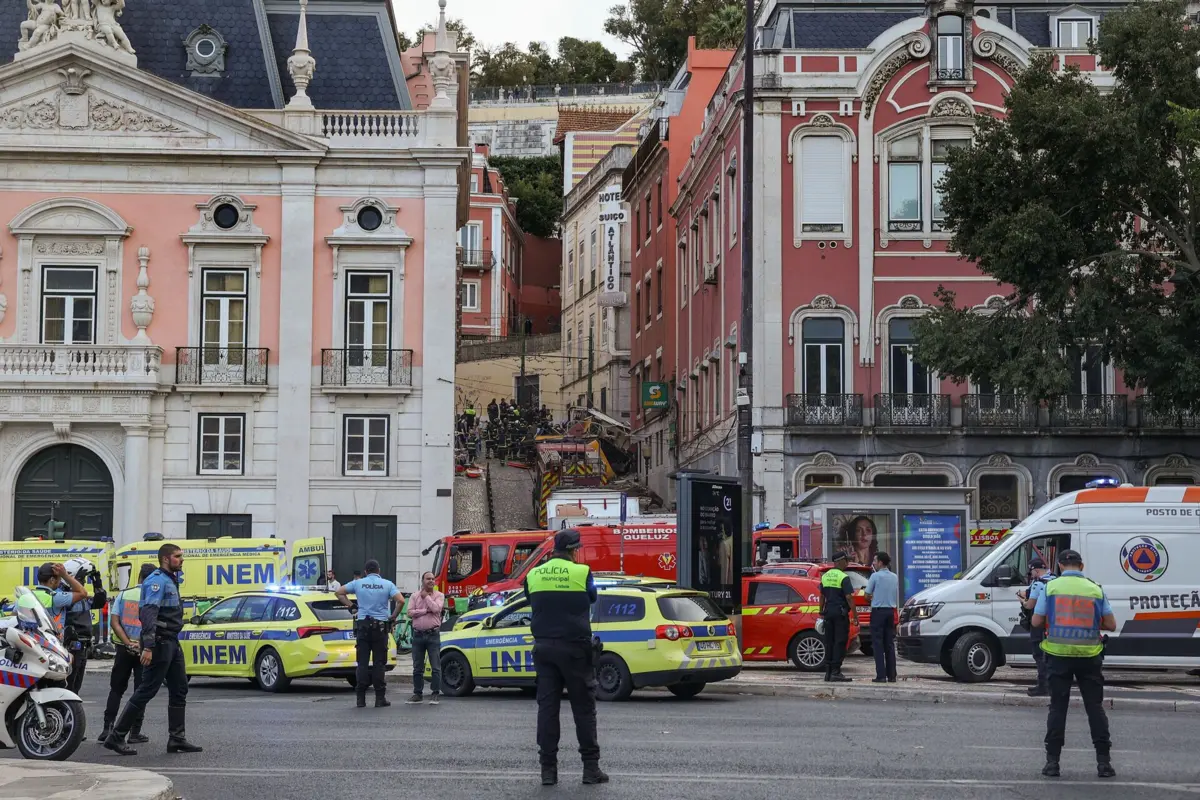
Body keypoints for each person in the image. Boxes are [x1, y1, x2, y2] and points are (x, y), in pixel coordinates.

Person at [524, 529, 607, 786]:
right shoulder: (582, 573)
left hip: (544, 649)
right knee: (583, 709)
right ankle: (590, 769)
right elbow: (592, 597)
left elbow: (530, 598)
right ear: (574, 550)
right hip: (575, 649)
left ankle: (548, 771)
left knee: (547, 710)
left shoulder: (533, 574)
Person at [105, 543, 203, 756]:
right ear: (166, 559)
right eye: (178, 556)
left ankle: (177, 738)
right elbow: (148, 614)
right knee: (147, 690)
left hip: (171, 641)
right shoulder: (157, 581)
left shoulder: (170, 579)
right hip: (159, 642)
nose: (182, 560)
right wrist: (148, 646)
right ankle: (116, 736)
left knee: (180, 688)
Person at [1031, 549, 1117, 779]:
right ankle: (1104, 763)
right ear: (1082, 566)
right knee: (1094, 708)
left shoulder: (1050, 588)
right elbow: (1111, 624)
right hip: (1089, 656)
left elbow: (1036, 620)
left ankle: (1052, 763)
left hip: (1058, 656)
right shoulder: (1095, 588)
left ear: (1059, 566)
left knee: (1058, 708)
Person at [101, 564, 155, 745]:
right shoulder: (153, 597)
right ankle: (134, 732)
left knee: (116, 689)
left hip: (123, 649)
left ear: (139, 577)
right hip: (144, 650)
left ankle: (107, 729)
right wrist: (142, 644)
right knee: (141, 691)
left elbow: (114, 622)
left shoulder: (124, 594)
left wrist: (126, 642)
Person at [336, 560, 403, 708]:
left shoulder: (358, 583)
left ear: (366, 571)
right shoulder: (387, 584)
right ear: (378, 570)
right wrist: (392, 617)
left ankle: (360, 699)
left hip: (363, 627)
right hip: (380, 628)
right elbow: (401, 601)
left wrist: (352, 606)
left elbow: (339, 592)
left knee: (362, 663)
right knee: (379, 663)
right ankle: (380, 698)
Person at [406, 571, 445, 705]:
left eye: (433, 579)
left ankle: (435, 693)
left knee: (435, 666)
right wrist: (424, 611)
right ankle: (417, 694)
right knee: (417, 667)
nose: (431, 581)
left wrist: (426, 598)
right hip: (418, 635)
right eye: (428, 579)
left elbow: (436, 609)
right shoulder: (414, 596)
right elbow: (409, 612)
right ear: (422, 581)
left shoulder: (439, 595)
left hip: (433, 635)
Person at [1018, 557, 1055, 697]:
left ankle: (1042, 686)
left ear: (1037, 570)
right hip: (1052, 623)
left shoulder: (1038, 584)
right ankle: (1049, 685)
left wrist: (1022, 600)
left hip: (1038, 623)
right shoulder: (1054, 579)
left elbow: (1030, 605)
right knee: (1050, 656)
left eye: (1031, 570)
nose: (1030, 573)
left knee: (1039, 655)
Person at [819, 552, 855, 683]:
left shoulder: (825, 576)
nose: (847, 563)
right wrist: (855, 616)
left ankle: (828, 673)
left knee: (829, 642)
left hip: (828, 613)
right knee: (840, 642)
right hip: (840, 614)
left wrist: (820, 611)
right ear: (840, 561)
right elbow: (849, 597)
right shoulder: (843, 577)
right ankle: (836, 672)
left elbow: (822, 596)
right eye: (846, 560)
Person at [864, 551, 899, 683]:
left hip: (878, 612)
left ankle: (881, 675)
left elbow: (867, 594)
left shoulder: (875, 576)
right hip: (890, 612)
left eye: (875, 560)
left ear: (880, 562)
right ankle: (892, 675)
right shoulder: (894, 576)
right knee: (889, 644)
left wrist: (871, 598)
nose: (873, 563)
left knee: (878, 645)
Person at [32, 562, 87, 642]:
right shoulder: (56, 597)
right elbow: (83, 593)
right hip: (52, 644)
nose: (60, 582)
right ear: (52, 580)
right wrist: (65, 575)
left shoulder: (25, 596)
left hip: (33, 643)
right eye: (59, 579)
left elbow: (14, 618)